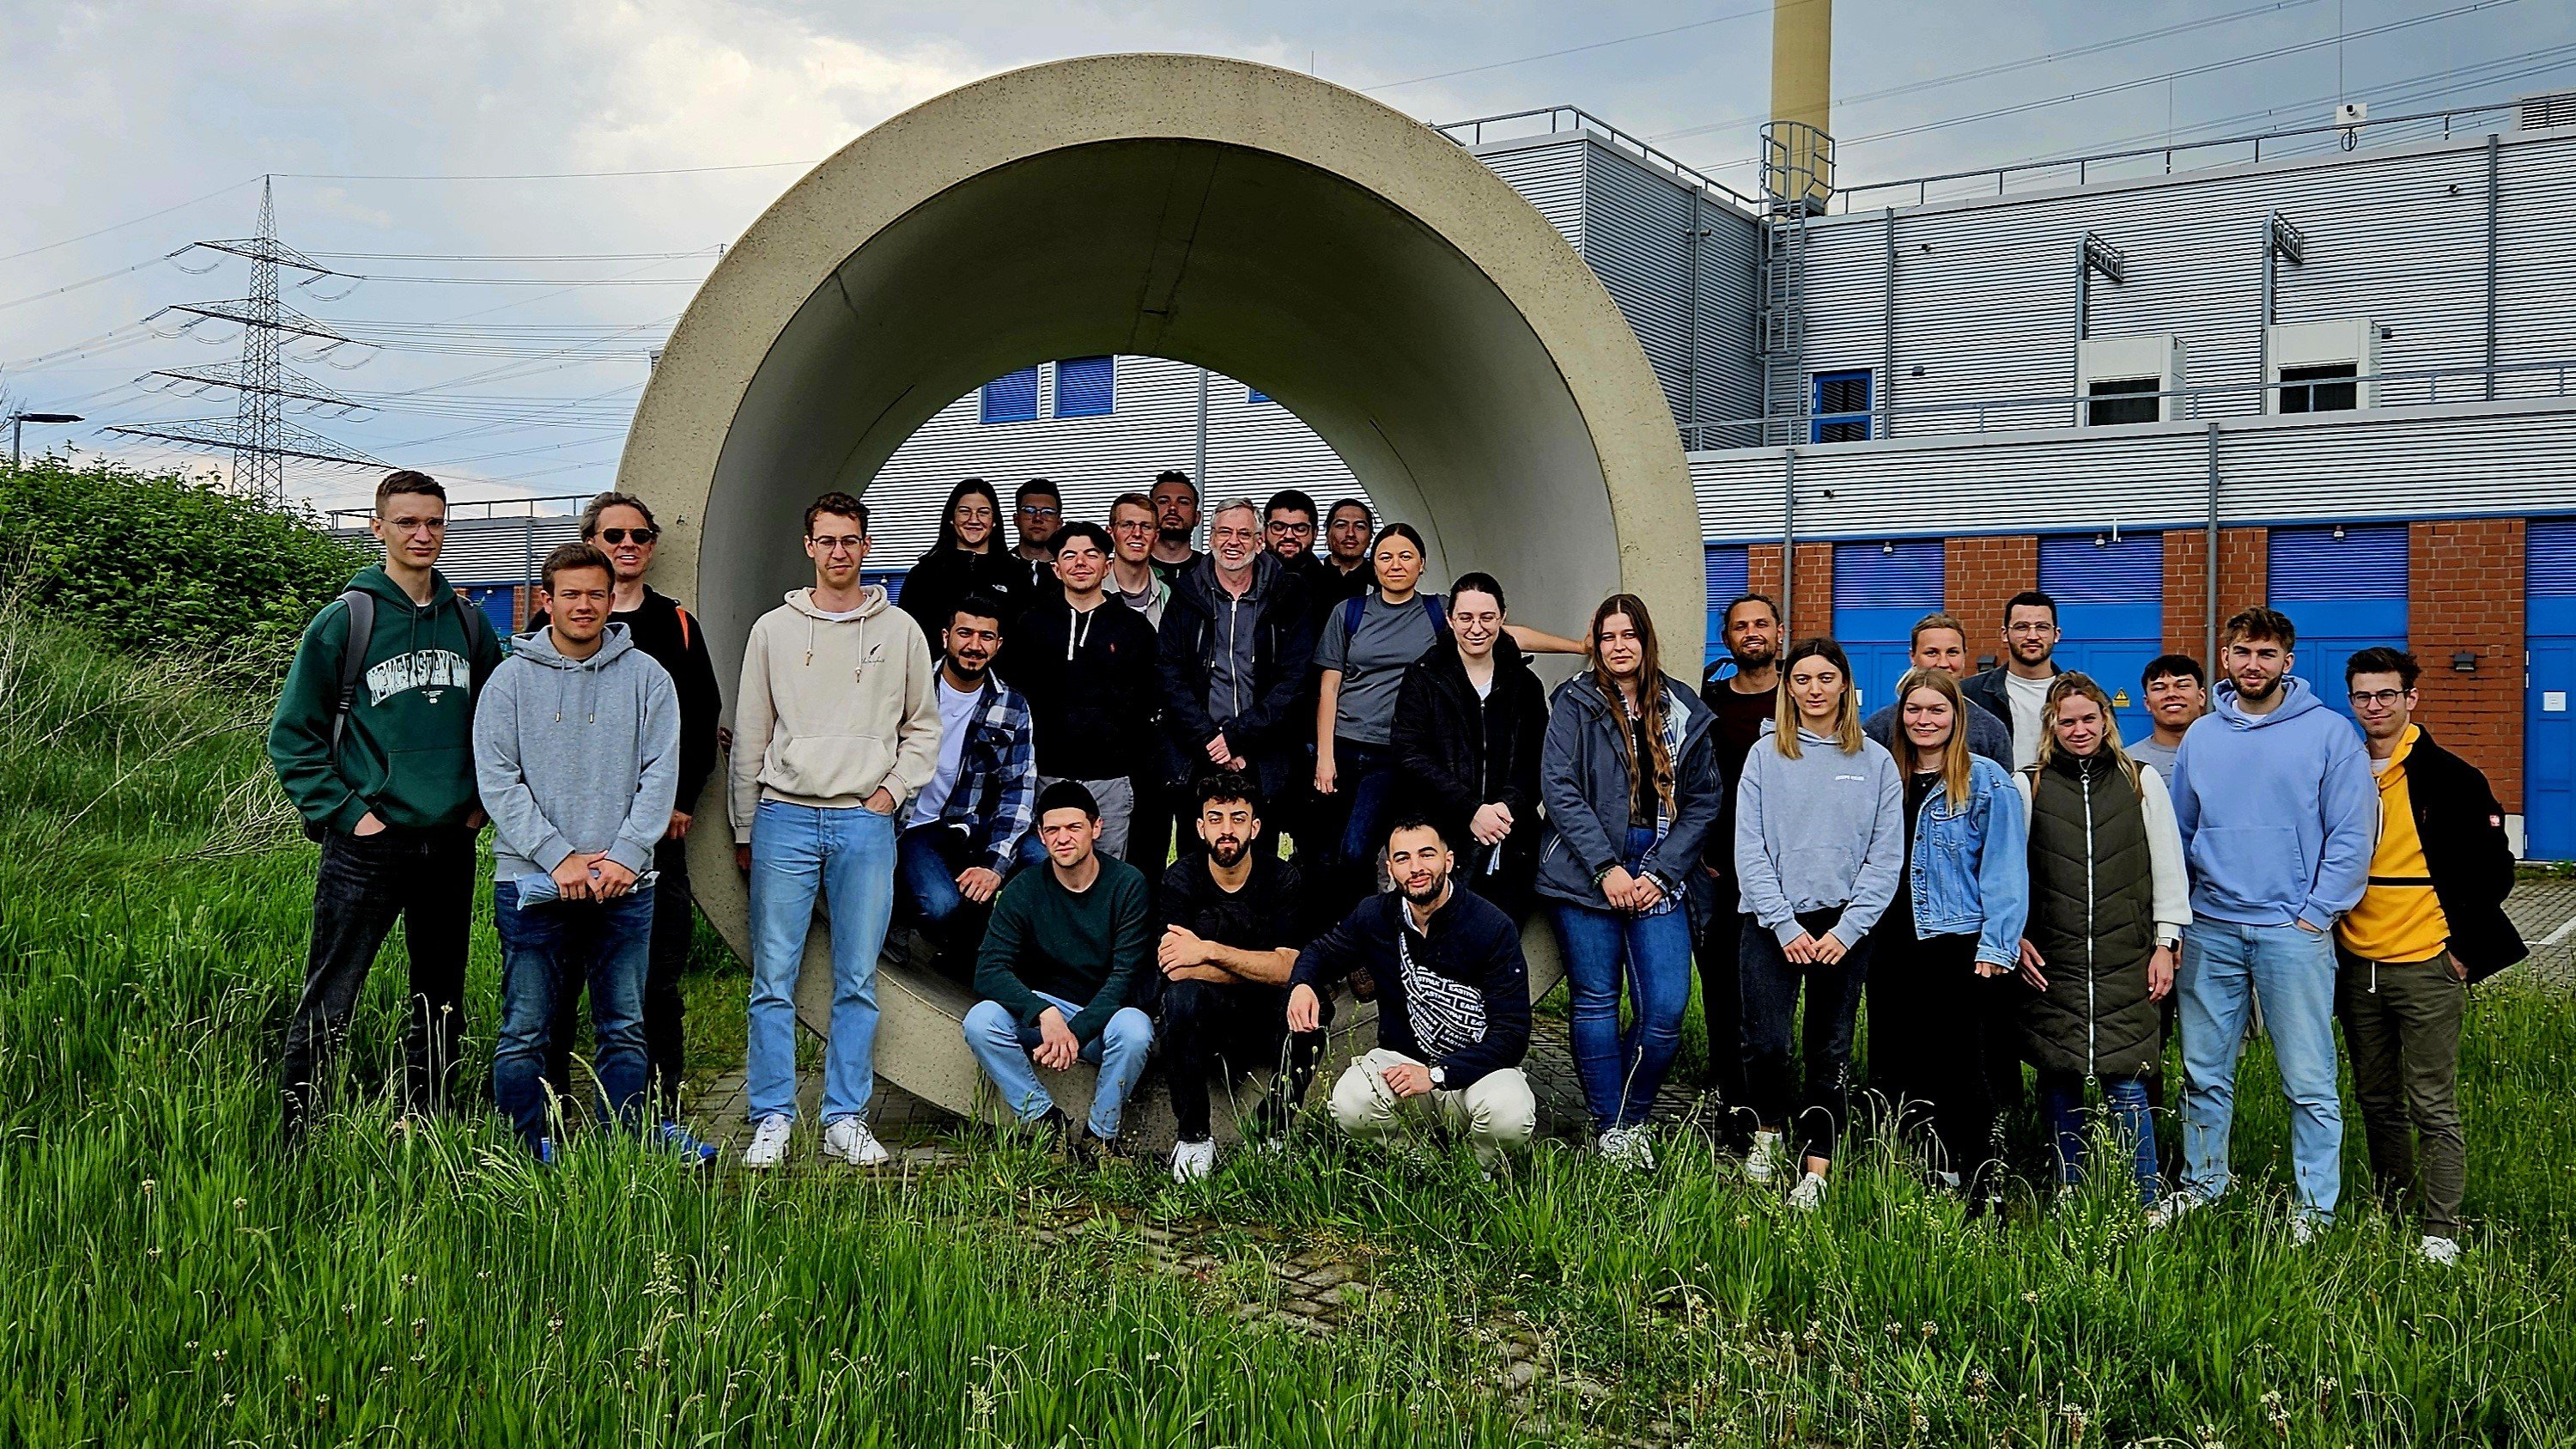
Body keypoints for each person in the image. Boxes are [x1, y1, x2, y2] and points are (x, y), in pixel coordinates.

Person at [269, 469, 505, 1141]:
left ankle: (423, 1119)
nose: (422, 534)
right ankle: (299, 1130)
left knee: (440, 996)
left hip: (449, 839)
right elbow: (292, 736)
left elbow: (497, 722)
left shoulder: (468, 622)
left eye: (434, 521)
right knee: (332, 992)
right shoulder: (347, 619)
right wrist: (352, 814)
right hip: (369, 841)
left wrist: (478, 805)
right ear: (378, 528)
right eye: (407, 522)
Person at [732, 493, 943, 1172]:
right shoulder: (773, 631)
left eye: (851, 539)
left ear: (867, 545)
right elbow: (751, 734)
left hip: (863, 819)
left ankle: (844, 1116)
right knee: (774, 977)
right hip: (785, 815)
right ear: (808, 546)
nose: (839, 552)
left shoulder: (902, 629)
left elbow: (923, 726)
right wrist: (745, 823)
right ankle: (771, 1115)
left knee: (856, 977)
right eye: (827, 540)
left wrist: (890, 793)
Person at [2158, 607, 2375, 1236]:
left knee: (2308, 1077)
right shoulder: (2202, 735)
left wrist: (2315, 914)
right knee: (2203, 1070)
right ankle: (2204, 1182)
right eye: (2243, 652)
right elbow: (2181, 831)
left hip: (2293, 932)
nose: (2254, 664)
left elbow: (2352, 835)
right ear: (2224, 659)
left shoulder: (2330, 733)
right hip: (2212, 929)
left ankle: (2314, 1208)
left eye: (2267, 653)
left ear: (2289, 661)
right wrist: (2183, 916)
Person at [526, 491, 723, 1160]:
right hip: (566, 846)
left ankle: (657, 1115)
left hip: (652, 840)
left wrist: (678, 802)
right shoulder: (544, 636)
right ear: (592, 542)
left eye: (641, 533)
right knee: (555, 986)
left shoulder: (677, 627)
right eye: (614, 533)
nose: (628, 543)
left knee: (655, 981)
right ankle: (551, 1117)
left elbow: (699, 724)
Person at [473, 543, 681, 1160]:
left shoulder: (649, 678)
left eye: (597, 592)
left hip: (626, 885)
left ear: (612, 597)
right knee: (526, 1028)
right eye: (571, 593)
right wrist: (557, 856)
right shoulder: (509, 680)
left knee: (623, 1027)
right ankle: (522, 1147)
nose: (585, 604)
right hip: (531, 884)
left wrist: (624, 855)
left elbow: (659, 773)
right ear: (547, 601)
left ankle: (623, 1144)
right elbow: (497, 779)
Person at [2335, 648, 2525, 1264]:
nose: (2375, 705)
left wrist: (2460, 952)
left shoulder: (2451, 775)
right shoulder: (2341, 768)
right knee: (2375, 1096)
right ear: (2352, 700)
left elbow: (2496, 871)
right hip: (2355, 960)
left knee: (2431, 1102)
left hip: (2427, 962)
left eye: (2387, 694)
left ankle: (2440, 1229)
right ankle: (2392, 1205)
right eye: (2363, 695)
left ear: (2411, 698)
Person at [1534, 594, 1722, 1169]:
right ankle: (1608, 1124)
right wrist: (1606, 868)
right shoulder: (1574, 701)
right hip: (1586, 866)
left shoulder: (1683, 706)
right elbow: (1558, 787)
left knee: (1665, 1006)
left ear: (1646, 640)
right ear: (1597, 643)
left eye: (1629, 635)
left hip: (1661, 865)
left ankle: (1634, 1116)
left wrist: (1661, 871)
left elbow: (1704, 798)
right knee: (1595, 1000)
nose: (1619, 645)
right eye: (1608, 635)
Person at [1734, 637, 1905, 1210]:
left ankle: (1816, 1167)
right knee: (1767, 1044)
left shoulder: (1875, 761)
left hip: (1844, 929)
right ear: (1789, 688)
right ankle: (1767, 1131)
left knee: (1828, 1050)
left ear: (1845, 685)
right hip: (1771, 921)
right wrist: (1782, 924)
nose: (1813, 689)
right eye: (1802, 679)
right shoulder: (1765, 756)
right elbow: (1749, 848)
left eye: (1825, 678)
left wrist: (1847, 930)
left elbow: (1886, 857)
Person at [2011, 673, 2188, 1209]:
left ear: (2106, 720)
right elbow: (2010, 873)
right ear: (2051, 726)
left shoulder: (2140, 780)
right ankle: (2070, 1189)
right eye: (2067, 721)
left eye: (2089, 718)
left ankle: (2145, 1199)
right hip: (2053, 956)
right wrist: (2013, 936)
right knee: (2059, 1071)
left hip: (2127, 955)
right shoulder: (2030, 785)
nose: (2079, 729)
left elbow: (2169, 867)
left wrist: (2167, 942)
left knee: (2127, 1076)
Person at [1863, 668, 2028, 1203]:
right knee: (1903, 1060)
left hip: (1957, 940)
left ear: (1957, 716)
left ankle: (1983, 1180)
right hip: (1891, 940)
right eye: (1915, 711)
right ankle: (1931, 1170)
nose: (1924, 721)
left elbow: (2006, 868)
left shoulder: (1985, 780)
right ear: (1900, 715)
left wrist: (1998, 946)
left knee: (1962, 1063)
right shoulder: (1883, 774)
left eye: (1937, 710)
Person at [1290, 815, 1537, 1167]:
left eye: (1426, 855)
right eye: (1403, 859)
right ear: (1390, 868)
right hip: (1403, 1062)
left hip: (1475, 1071)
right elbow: (1321, 951)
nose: (1416, 868)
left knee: (1509, 1114)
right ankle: (1419, 1160)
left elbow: (1512, 1035)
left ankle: (1474, 1168)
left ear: (1448, 861)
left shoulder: (1492, 926)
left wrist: (1438, 1074)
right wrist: (1302, 984)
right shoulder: (1374, 915)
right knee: (1350, 1103)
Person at [963, 782, 1157, 1159]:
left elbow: (1124, 977)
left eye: (1074, 828)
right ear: (1041, 835)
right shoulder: (1025, 888)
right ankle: (1044, 1120)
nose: (1063, 839)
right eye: (1053, 830)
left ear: (1096, 828)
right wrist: (1044, 1013)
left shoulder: (1127, 885)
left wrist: (1074, 1034)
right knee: (980, 1021)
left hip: (1104, 1016)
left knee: (1135, 1030)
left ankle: (1100, 1137)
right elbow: (988, 969)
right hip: (1045, 1012)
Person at [1156, 771, 1326, 1181]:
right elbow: (1177, 967)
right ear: (1199, 828)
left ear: (1256, 827)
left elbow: (1291, 968)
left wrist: (1210, 951)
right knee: (1181, 999)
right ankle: (1194, 1137)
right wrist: (1257, 966)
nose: (1226, 830)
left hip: (1266, 1018)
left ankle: (1273, 1132)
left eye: (1237, 818)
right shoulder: (1181, 878)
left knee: (1314, 1010)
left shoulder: (1281, 878)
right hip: (1205, 1021)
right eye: (1215, 819)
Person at [1157, 499, 1316, 849]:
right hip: (1199, 751)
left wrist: (1239, 737)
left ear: (1260, 542)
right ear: (1210, 537)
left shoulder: (1288, 595)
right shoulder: (1184, 595)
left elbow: (1294, 680)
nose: (1233, 541)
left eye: (1244, 533)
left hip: (1262, 753)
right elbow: (1170, 673)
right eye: (1224, 532)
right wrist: (1211, 741)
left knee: (1257, 861)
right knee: (1196, 858)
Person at [1389, 572, 1546, 922]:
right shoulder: (1424, 676)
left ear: (1502, 618)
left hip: (1510, 833)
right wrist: (1472, 810)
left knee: (1500, 940)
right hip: (1442, 831)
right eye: (1466, 617)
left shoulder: (1525, 684)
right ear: (1450, 620)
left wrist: (1505, 808)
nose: (1476, 628)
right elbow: (1409, 754)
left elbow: (1538, 758)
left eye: (1487, 617)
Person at [896, 596, 1036, 977]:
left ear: (998, 645)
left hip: (967, 825)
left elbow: (1019, 791)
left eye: (986, 637)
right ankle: (898, 911)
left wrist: (994, 864)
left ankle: (1013, 955)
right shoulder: (909, 686)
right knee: (940, 906)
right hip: (909, 829)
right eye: (965, 633)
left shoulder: (1011, 705)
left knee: (1044, 859)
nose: (974, 645)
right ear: (945, 637)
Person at [1005, 523, 1158, 865]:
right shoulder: (1031, 625)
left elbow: (1150, 700)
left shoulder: (1135, 629)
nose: (1081, 563)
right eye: (1069, 555)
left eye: (1092, 554)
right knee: (1049, 872)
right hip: (1044, 774)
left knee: (1104, 876)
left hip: (1112, 779)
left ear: (1107, 565)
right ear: (1056, 569)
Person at [1313, 523, 1446, 915]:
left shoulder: (1439, 613)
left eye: (1406, 556)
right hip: (1343, 748)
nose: (1395, 565)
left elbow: (1495, 631)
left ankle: (1369, 936)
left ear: (1422, 564)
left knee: (1358, 850)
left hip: (1395, 755)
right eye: (1385, 556)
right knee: (1328, 854)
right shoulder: (1350, 612)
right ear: (1374, 565)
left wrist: (1578, 645)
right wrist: (1324, 756)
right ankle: (1341, 940)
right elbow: (1329, 689)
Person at [1694, 592, 1783, 1135]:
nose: (1751, 633)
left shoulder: (1799, 699)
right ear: (1726, 638)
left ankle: (1776, 1099)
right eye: (1739, 626)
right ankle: (1733, 1105)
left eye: (1761, 624)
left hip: (1782, 873)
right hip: (1717, 872)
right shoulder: (1708, 703)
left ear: (1779, 633)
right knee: (1723, 989)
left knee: (1770, 995)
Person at [1862, 612, 2013, 766]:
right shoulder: (1879, 728)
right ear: (1912, 656)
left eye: (1952, 652)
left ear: (1964, 656)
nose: (1943, 663)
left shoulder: (1990, 729)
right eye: (1931, 653)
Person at [898, 478, 1024, 643]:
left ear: (994, 521)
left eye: (983, 512)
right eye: (965, 511)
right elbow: (906, 637)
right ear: (951, 518)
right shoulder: (923, 574)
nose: (973, 520)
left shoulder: (1017, 574)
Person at [1961, 591, 2063, 770]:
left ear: (2056, 634)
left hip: (2059, 797)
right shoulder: (1970, 695)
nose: (2032, 636)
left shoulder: (2082, 695)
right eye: (2022, 627)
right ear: (2004, 634)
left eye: (2042, 627)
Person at [2128, 654, 2208, 778]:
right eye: (2159, 688)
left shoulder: (2227, 753)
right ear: (2147, 703)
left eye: (2182, 686)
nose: (2171, 694)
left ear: (2201, 697)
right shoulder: (2127, 764)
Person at [1105, 491, 1174, 628]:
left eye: (1146, 527)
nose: (1137, 534)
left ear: (1156, 536)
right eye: (1127, 525)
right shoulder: (1091, 587)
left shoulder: (1171, 592)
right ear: (1110, 533)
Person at [1010, 478, 1066, 600]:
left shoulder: (1069, 572)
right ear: (1016, 519)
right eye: (1029, 511)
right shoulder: (996, 568)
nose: (1038, 518)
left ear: (1059, 523)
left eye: (1048, 512)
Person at [1147, 469, 1205, 584]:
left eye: (1183, 502)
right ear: (1149, 513)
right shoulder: (1132, 567)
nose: (1172, 508)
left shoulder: (1211, 570)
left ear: (1197, 517)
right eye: (1163, 501)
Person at [1318, 497, 1376, 604]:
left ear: (1370, 537)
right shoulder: (1309, 578)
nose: (1350, 533)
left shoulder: (1381, 583)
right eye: (1341, 526)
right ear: (1327, 534)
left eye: (1359, 527)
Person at [1264, 490, 1322, 569]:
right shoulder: (1244, 575)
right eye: (1279, 528)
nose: (1289, 536)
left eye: (1300, 529)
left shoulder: (1330, 579)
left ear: (1315, 533)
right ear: (1264, 531)